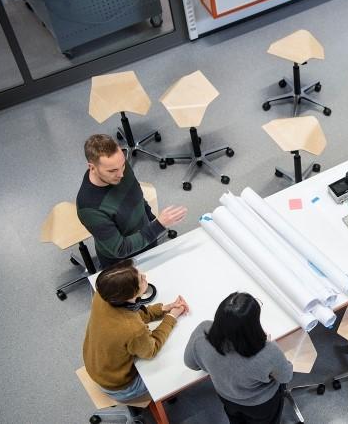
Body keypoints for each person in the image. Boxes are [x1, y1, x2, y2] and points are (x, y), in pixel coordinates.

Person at [83, 260, 189, 401]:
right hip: (120, 387)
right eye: (141, 279)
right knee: (175, 369)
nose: (145, 276)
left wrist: (163, 309)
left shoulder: (102, 295)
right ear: (130, 294)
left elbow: (130, 314)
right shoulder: (133, 329)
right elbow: (151, 349)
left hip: (97, 366)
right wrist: (172, 316)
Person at [77, 134, 187, 268]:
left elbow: (137, 195)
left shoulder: (118, 166)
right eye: (112, 171)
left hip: (147, 237)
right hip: (122, 262)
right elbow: (120, 249)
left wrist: (151, 221)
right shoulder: (89, 207)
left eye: (123, 165)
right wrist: (158, 225)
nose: (121, 174)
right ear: (92, 168)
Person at [184, 292, 292, 424]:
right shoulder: (268, 351)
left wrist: (214, 364)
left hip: (227, 397)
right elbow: (286, 377)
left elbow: (190, 363)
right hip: (261, 405)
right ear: (252, 326)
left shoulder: (202, 332)